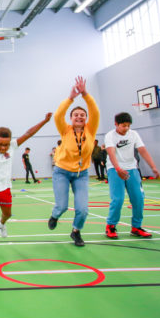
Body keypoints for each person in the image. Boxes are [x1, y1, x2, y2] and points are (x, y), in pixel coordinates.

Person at [48, 76, 100, 247]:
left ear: (86, 118)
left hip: (81, 175)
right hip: (62, 172)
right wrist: (70, 98)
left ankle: (76, 231)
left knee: (83, 209)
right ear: (71, 118)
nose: (79, 117)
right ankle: (55, 215)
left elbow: (95, 111)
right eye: (76, 115)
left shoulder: (90, 130)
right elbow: (58, 115)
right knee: (62, 206)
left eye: (82, 115)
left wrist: (85, 94)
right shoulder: (65, 130)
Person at [104, 112, 160, 239]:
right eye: (123, 126)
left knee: (139, 198)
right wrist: (118, 168)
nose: (126, 128)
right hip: (115, 169)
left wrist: (153, 167)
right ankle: (111, 226)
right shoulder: (110, 136)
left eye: (128, 126)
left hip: (132, 169)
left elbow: (142, 150)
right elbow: (111, 153)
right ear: (116, 124)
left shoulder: (133, 134)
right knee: (117, 199)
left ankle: (136, 227)